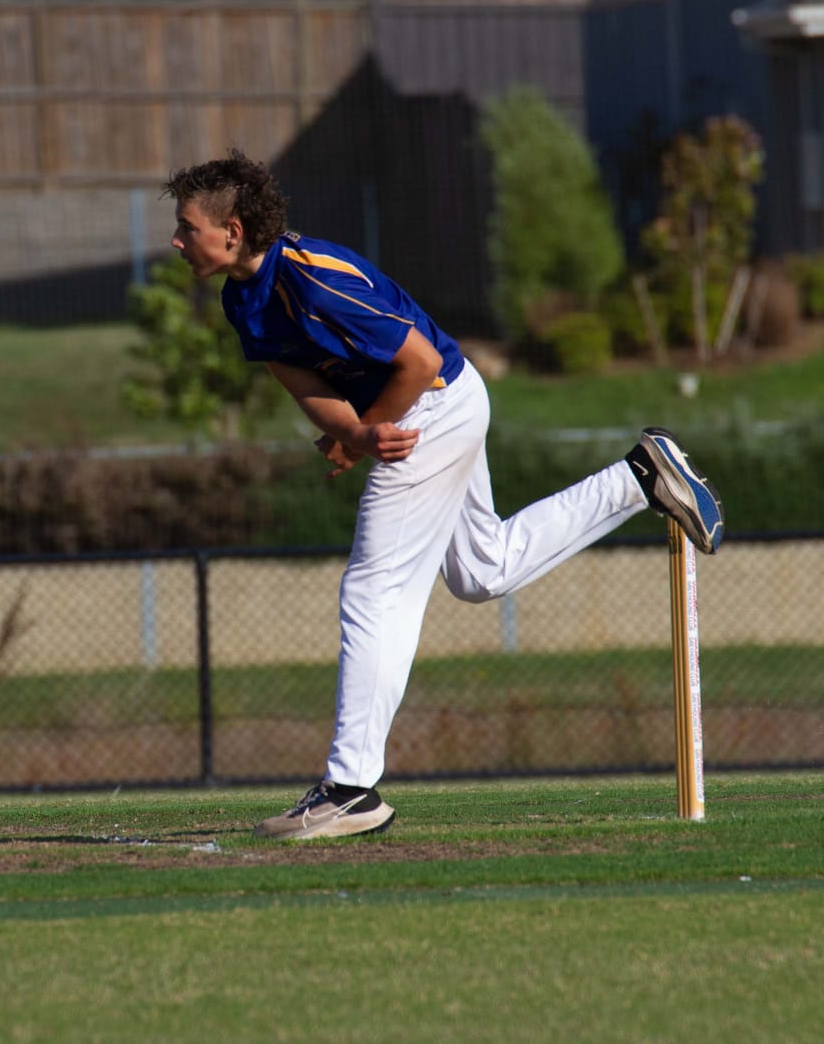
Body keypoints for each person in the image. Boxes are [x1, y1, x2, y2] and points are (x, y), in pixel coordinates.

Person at [164, 151, 723, 841]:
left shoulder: (312, 281)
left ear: (233, 231)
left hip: (430, 404)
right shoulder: (239, 296)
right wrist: (347, 430)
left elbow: (419, 362)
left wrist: (372, 432)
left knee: (375, 590)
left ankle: (350, 788)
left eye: (187, 227)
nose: (176, 240)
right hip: (435, 405)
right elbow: (297, 375)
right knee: (483, 570)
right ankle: (641, 476)